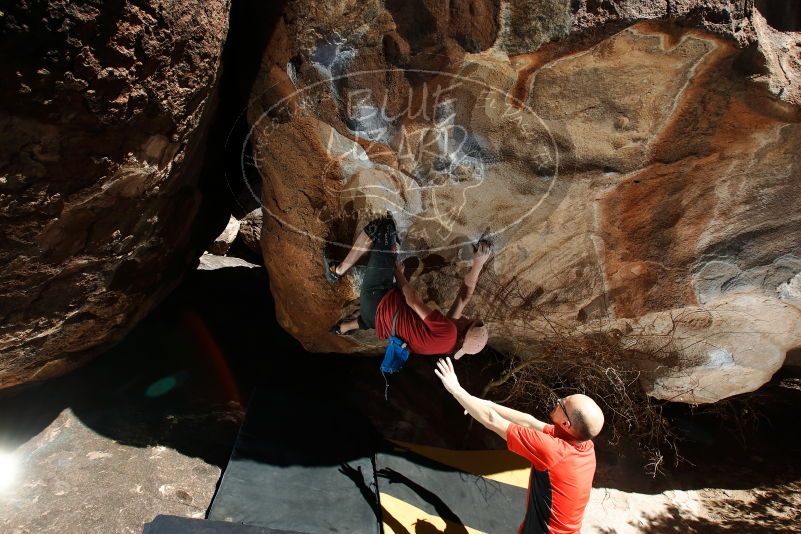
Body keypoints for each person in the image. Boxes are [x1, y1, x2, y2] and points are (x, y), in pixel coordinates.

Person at [434, 357, 604, 534]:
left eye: (563, 403)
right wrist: (479, 402)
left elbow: (492, 421)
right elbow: (529, 422)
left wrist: (456, 390)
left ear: (566, 424)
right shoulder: (584, 444)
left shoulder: (553, 451)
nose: (558, 399)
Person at [325, 214, 491, 359]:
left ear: (465, 329)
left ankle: (336, 272)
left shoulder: (449, 331)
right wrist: (478, 264)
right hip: (377, 321)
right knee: (373, 320)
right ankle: (343, 327)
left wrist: (396, 270)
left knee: (384, 228)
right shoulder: (447, 344)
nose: (466, 317)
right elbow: (464, 296)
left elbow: (412, 301)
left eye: (469, 321)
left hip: (377, 300)